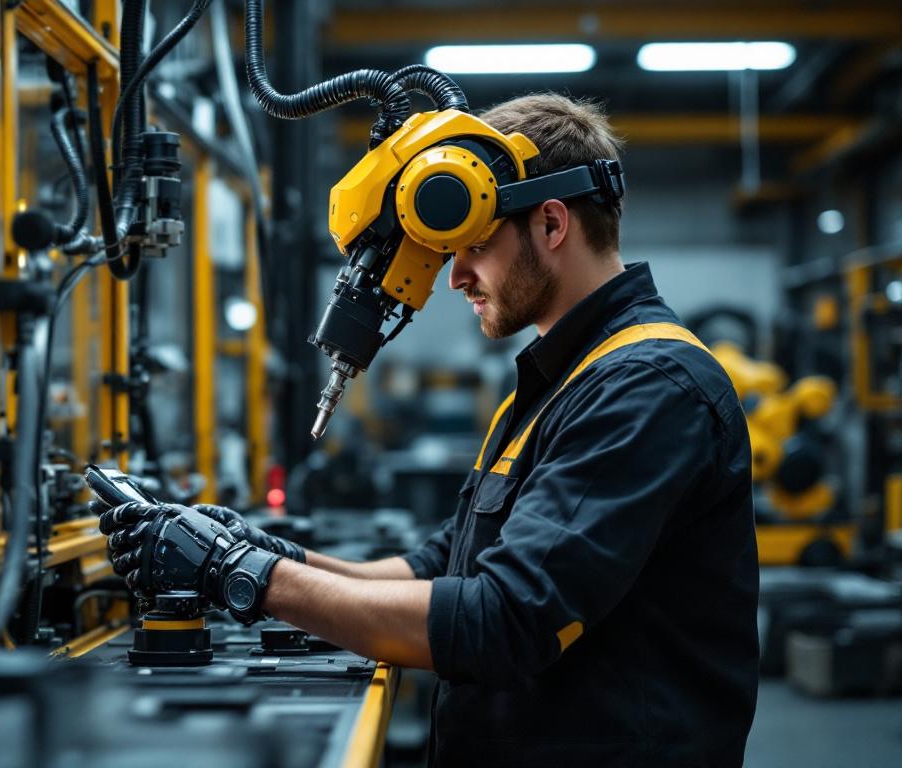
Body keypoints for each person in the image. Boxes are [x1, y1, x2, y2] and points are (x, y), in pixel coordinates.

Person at [97, 93, 759, 767]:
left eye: (472, 245)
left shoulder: (645, 386)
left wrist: (245, 577)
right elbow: (442, 567)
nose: (455, 277)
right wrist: (266, 553)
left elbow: (503, 620)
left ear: (553, 224)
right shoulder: (556, 382)